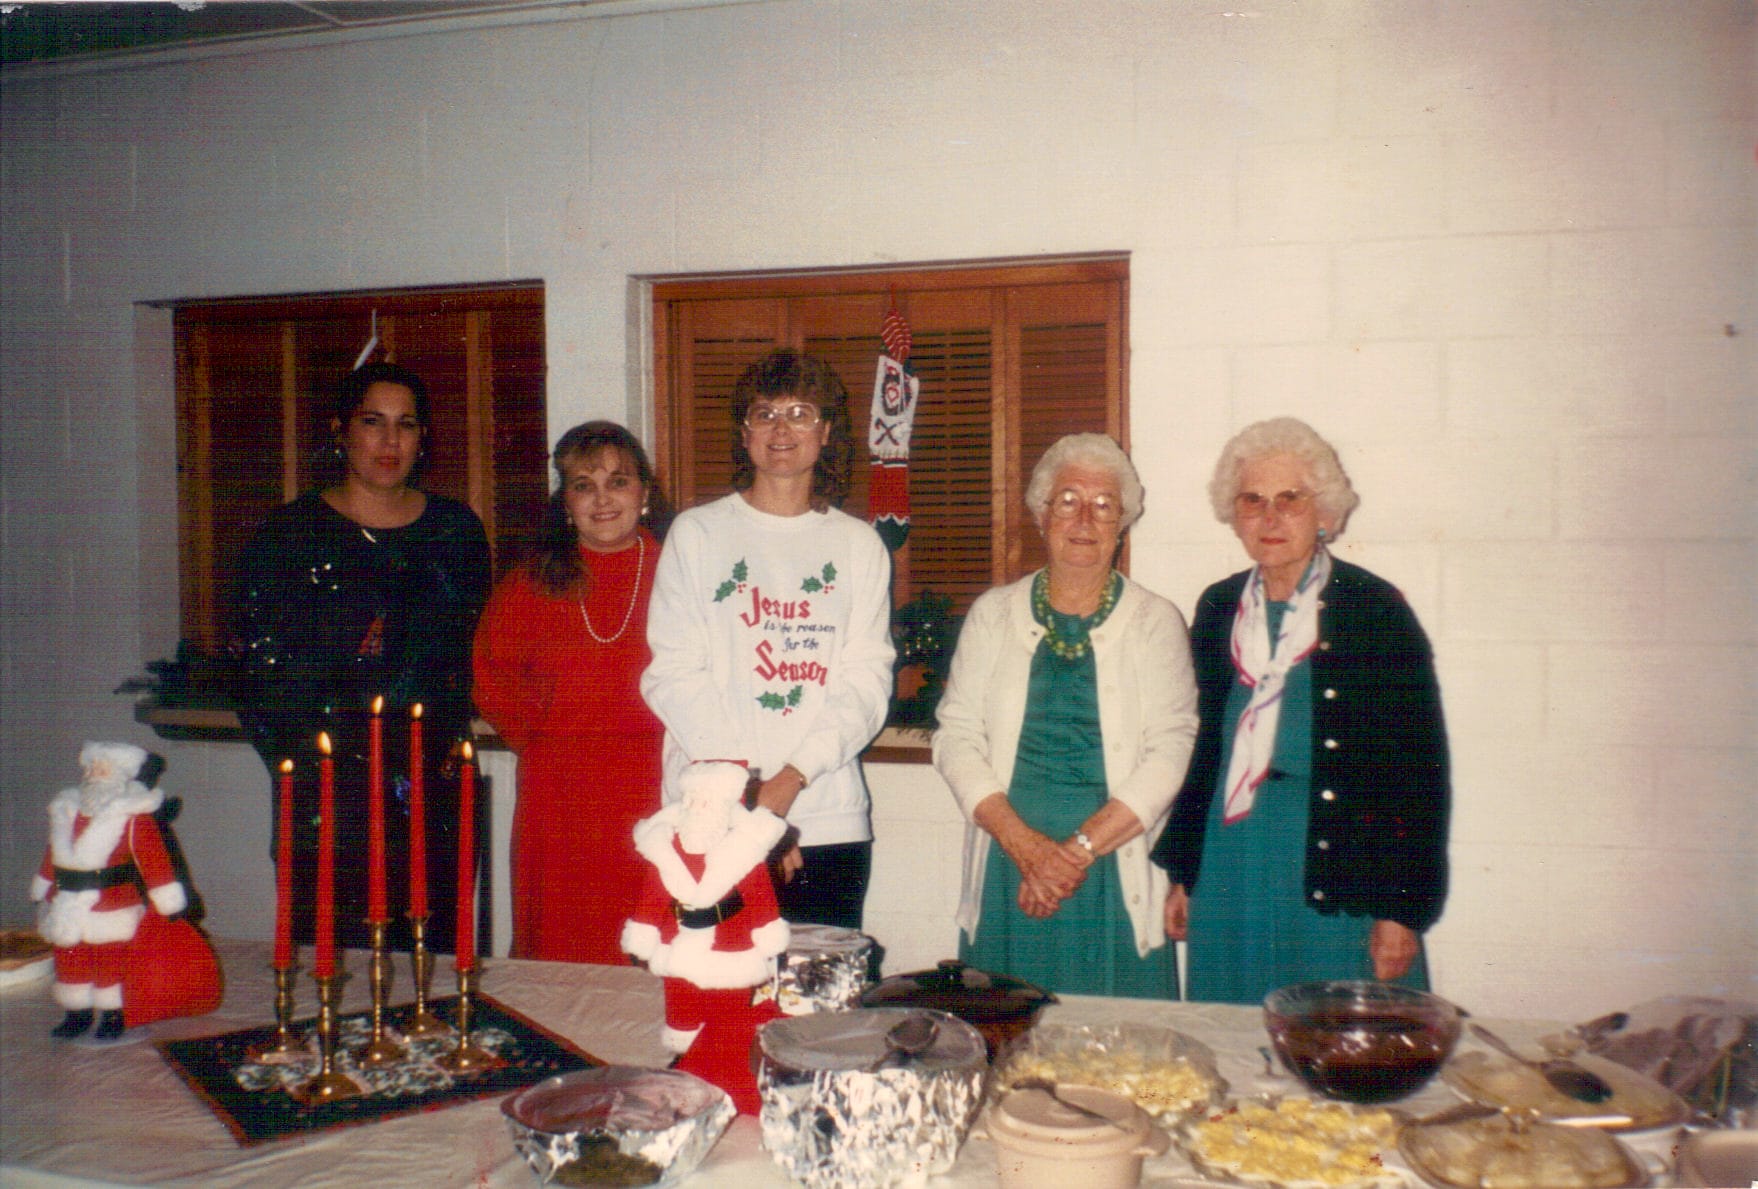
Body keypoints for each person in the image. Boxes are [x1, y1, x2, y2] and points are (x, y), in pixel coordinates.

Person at [1152, 417, 1450, 1003]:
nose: (1270, 517)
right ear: (1233, 514)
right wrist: (1185, 873)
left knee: (1334, 1036)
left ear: (1325, 513)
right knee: (1232, 1033)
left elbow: (1419, 772)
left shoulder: (1374, 609)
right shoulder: (1218, 607)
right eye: (1253, 500)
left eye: (1290, 499)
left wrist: (1402, 910)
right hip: (1230, 856)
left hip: (1334, 861)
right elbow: (1202, 751)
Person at [233, 362, 491, 953]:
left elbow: (473, 658)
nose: (389, 441)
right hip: (331, 803)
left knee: (432, 975)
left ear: (423, 438)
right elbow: (259, 681)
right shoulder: (289, 536)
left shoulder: (456, 532)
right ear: (340, 431)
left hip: (435, 795)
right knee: (333, 968)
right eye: (373, 422)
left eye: (406, 425)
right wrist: (318, 777)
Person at [932, 433, 1198, 998]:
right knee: (1009, 1049)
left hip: (1110, 865)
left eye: (1103, 505)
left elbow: (1172, 751)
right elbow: (955, 737)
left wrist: (1074, 853)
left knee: (1124, 1069)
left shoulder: (1155, 621)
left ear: (1122, 523)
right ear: (1041, 514)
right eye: (1068, 499)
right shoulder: (993, 613)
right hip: (1009, 860)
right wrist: (1026, 847)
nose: (1084, 518)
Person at [641, 348, 895, 932]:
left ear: (827, 432)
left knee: (819, 1013)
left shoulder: (858, 546)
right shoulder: (698, 533)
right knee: (716, 1001)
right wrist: (746, 799)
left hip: (826, 817)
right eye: (765, 412)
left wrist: (785, 785)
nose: (782, 428)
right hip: (712, 815)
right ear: (744, 432)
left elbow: (866, 683)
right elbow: (674, 673)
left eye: (801, 412)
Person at [473, 420, 672, 963]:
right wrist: (540, 740)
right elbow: (491, 677)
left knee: (655, 956)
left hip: (657, 789)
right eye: (584, 484)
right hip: (559, 803)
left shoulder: (681, 572)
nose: (603, 498)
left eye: (619, 480)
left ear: (645, 493)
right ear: (565, 502)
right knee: (562, 957)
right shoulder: (529, 582)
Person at [33, 743, 187, 1041]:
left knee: (110, 959)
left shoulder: (132, 816)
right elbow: (54, 852)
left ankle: (112, 1014)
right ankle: (76, 1013)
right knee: (70, 956)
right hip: (66, 901)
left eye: (99, 768)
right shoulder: (67, 810)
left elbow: (153, 859)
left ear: (118, 773)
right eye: (89, 768)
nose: (91, 774)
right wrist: (42, 883)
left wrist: (167, 898)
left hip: (111, 904)